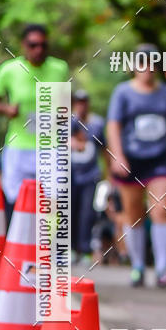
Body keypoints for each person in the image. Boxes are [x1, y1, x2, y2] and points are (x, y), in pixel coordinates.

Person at [106, 45, 166, 287]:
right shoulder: (123, 93)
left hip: (160, 161)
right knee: (133, 214)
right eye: (142, 63)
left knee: (162, 209)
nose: (147, 68)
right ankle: (138, 265)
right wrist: (117, 156)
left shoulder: (165, 94)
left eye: (151, 63)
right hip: (131, 160)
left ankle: (162, 268)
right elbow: (113, 125)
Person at [0, 24, 69, 222]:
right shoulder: (9, 69)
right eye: (33, 45)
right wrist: (6, 109)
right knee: (16, 200)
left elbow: (66, 101)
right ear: (24, 45)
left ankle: (50, 251)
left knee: (53, 200)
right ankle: (17, 249)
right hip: (18, 145)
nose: (38, 50)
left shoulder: (60, 68)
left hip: (51, 146)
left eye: (43, 45)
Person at [70, 89, 105, 264]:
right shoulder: (68, 123)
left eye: (83, 102)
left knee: (87, 212)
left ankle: (84, 249)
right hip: (70, 176)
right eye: (78, 102)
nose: (81, 105)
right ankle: (70, 249)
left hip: (90, 175)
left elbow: (106, 149)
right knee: (70, 210)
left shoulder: (98, 124)